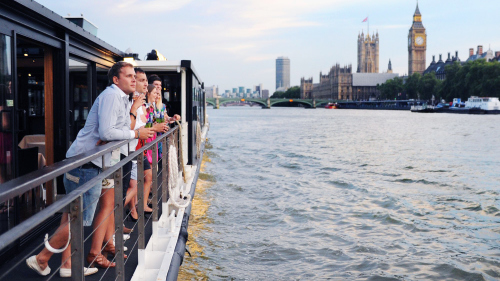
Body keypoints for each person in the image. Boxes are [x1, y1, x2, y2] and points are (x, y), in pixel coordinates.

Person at [26, 61, 154, 277]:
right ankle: (41, 258)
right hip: (86, 164)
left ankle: (67, 265)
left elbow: (115, 131)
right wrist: (135, 134)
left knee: (71, 217)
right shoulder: (112, 95)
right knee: (78, 219)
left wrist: (128, 120)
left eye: (135, 76)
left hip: (87, 162)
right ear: (116, 79)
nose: (134, 79)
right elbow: (107, 132)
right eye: (129, 76)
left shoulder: (121, 98)